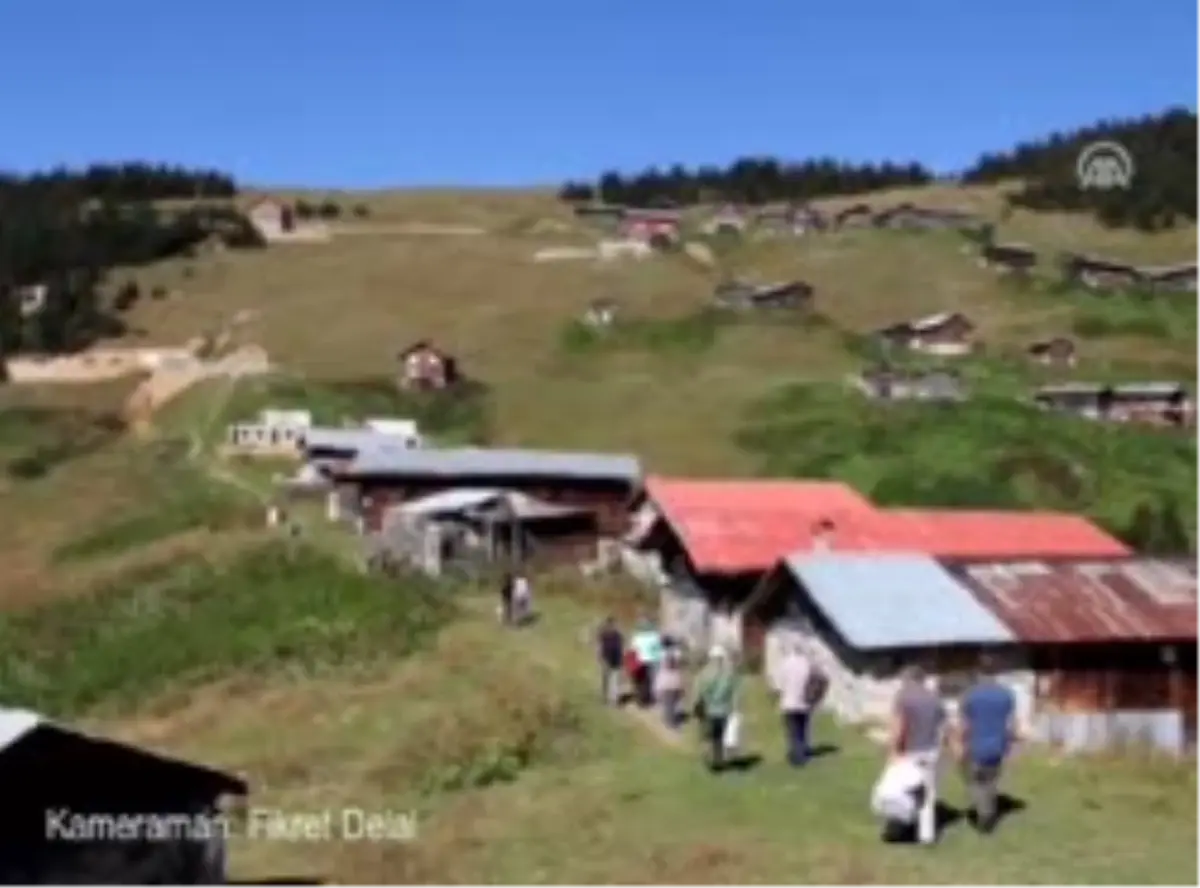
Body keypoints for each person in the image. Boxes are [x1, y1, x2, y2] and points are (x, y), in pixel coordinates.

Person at [957, 654, 1017, 835]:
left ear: (978, 672)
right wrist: (1010, 746)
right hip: (998, 745)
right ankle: (989, 809)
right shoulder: (1006, 694)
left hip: (976, 745)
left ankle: (985, 815)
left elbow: (964, 725)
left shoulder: (970, 695)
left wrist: (960, 745)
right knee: (991, 780)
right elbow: (1011, 725)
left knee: (975, 781)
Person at [888, 664, 947, 845]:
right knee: (927, 794)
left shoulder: (903, 697)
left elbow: (899, 726)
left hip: (910, 752)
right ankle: (926, 835)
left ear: (909, 679)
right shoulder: (935, 698)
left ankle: (902, 829)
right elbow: (942, 726)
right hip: (930, 751)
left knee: (901, 790)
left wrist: (893, 750)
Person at [691, 645, 739, 772]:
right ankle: (719, 760)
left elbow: (698, 691)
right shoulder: (728, 674)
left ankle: (710, 760)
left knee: (707, 736)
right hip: (723, 710)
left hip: (708, 710)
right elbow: (732, 692)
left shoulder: (704, 673)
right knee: (719, 737)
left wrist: (696, 705)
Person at [774, 641, 817, 766]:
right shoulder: (807, 663)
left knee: (792, 730)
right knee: (802, 729)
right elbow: (814, 680)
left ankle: (796, 755)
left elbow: (779, 684)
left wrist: (780, 693)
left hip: (789, 702)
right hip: (804, 701)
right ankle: (802, 751)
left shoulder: (785, 663)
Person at [630, 618, 664, 707]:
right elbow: (658, 649)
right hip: (651, 660)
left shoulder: (637, 637)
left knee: (641, 681)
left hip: (639, 661)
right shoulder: (655, 636)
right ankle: (649, 698)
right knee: (650, 681)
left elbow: (633, 649)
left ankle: (641, 699)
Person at [655, 640, 685, 728]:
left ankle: (668, 721)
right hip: (676, 682)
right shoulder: (677, 655)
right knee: (674, 702)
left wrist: (657, 686)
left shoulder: (662, 655)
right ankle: (672, 720)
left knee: (667, 703)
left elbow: (660, 670)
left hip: (665, 683)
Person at [596, 616, 624, 705]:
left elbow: (621, 648)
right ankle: (606, 698)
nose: (613, 626)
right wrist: (599, 657)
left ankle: (613, 699)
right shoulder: (604, 634)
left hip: (615, 660)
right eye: (612, 624)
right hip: (606, 659)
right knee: (607, 680)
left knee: (613, 680)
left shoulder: (617, 635)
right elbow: (599, 646)